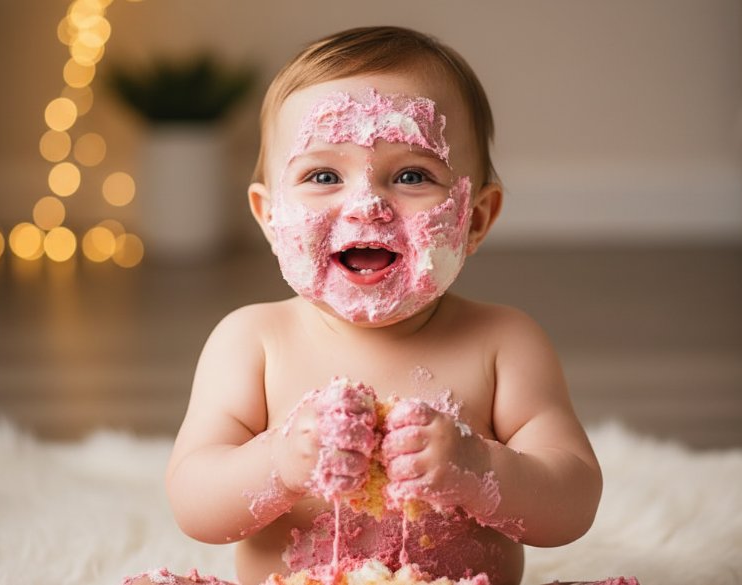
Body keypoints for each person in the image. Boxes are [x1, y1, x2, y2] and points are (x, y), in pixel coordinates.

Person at [130, 26, 602, 585]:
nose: (367, 205)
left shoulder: (505, 344)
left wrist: (477, 468)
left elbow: (572, 504)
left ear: (474, 218)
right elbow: (195, 503)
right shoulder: (253, 341)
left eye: (411, 175)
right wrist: (282, 463)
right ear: (270, 215)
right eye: (323, 175)